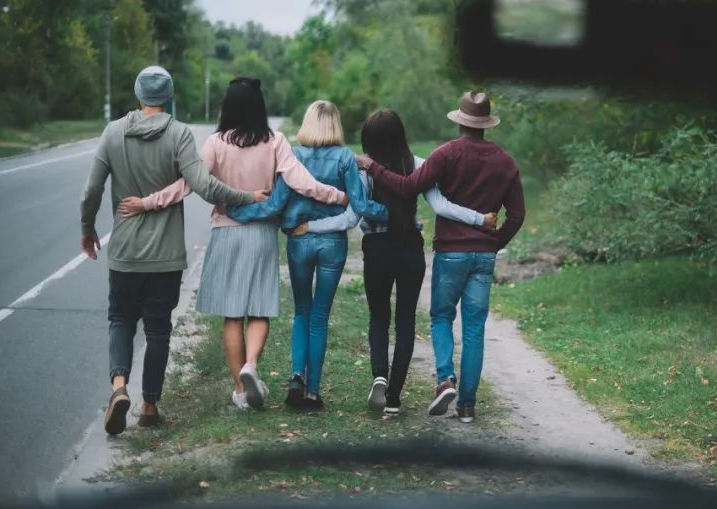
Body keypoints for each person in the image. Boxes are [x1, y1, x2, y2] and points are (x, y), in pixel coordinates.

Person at [119, 78, 348, 411]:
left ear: (228, 106)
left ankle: (241, 391)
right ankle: (251, 365)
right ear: (259, 107)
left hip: (226, 233)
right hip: (262, 236)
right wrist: (338, 196)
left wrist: (148, 202)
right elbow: (302, 181)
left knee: (232, 315)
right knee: (259, 309)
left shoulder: (215, 143)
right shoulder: (275, 141)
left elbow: (186, 185)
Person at [80, 65, 264, 435]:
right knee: (159, 329)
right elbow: (206, 187)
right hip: (165, 256)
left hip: (126, 252)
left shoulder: (113, 133)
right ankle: (148, 405)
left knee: (120, 319)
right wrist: (249, 196)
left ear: (138, 96)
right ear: (170, 98)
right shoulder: (179, 135)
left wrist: (87, 229)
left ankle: (119, 388)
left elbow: (92, 192)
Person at [296, 109, 498, 416]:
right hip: (410, 249)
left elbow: (351, 217)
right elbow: (441, 206)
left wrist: (311, 227)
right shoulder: (417, 165)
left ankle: (379, 375)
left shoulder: (362, 170)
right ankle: (393, 397)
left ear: (368, 140)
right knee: (405, 321)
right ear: (401, 135)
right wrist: (479, 218)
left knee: (379, 318)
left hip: (377, 246)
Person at [356, 92, 525, 424]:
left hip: (445, 252)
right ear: (486, 123)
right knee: (473, 328)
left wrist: (372, 167)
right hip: (474, 255)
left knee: (438, 318)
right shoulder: (506, 162)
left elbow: (405, 189)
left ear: (460, 120)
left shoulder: (445, 154)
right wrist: (493, 241)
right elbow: (516, 215)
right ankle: (466, 406)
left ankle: (442, 377)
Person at [222, 100, 389, 411]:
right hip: (332, 245)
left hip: (299, 242)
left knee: (301, 311)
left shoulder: (294, 156)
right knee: (320, 317)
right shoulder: (344, 158)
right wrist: (395, 214)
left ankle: (296, 377)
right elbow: (362, 206)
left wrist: (237, 210)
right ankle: (312, 393)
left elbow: (273, 206)